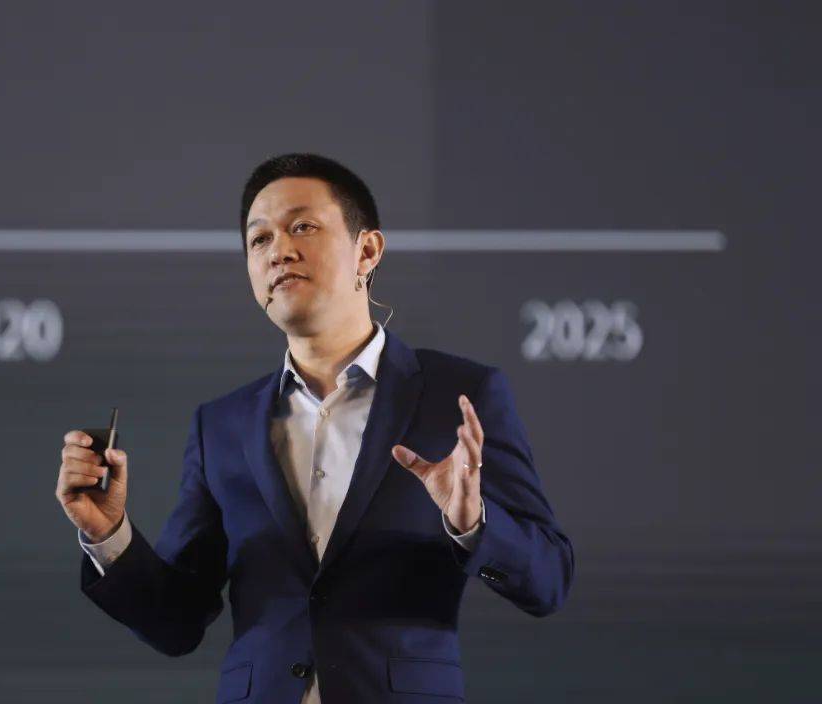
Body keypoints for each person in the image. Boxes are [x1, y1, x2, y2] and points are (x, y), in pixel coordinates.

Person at [55, 153, 574, 703]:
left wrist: (472, 523)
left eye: (302, 227)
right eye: (259, 239)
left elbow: (549, 582)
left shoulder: (459, 396)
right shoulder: (222, 425)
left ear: (367, 251)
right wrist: (109, 536)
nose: (278, 250)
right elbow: (175, 623)